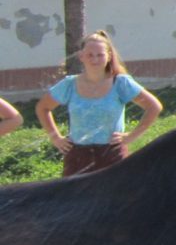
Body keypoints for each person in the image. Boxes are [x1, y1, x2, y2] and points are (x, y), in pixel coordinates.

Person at [36, 30, 163, 177]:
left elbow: (154, 107)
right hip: (78, 156)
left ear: (109, 56)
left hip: (112, 155)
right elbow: (43, 108)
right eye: (90, 55)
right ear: (81, 56)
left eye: (100, 55)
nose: (95, 59)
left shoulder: (120, 83)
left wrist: (131, 136)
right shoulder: (69, 84)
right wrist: (55, 137)